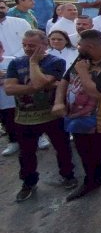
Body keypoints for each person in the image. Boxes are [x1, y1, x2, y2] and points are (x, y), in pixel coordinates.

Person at [53, 29, 101, 203]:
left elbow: (99, 95)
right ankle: (92, 181)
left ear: (91, 46)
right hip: (78, 120)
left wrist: (83, 73)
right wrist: (58, 102)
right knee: (85, 152)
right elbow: (65, 80)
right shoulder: (83, 59)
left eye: (80, 45)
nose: (77, 48)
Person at [5, 30, 77, 202]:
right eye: (25, 45)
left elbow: (37, 82)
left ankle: (68, 175)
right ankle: (28, 183)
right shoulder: (15, 63)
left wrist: (33, 64)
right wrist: (37, 87)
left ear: (45, 45)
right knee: (26, 153)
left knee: (62, 147)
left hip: (52, 115)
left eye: (32, 45)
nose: (27, 48)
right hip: (24, 118)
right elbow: (9, 89)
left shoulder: (55, 61)